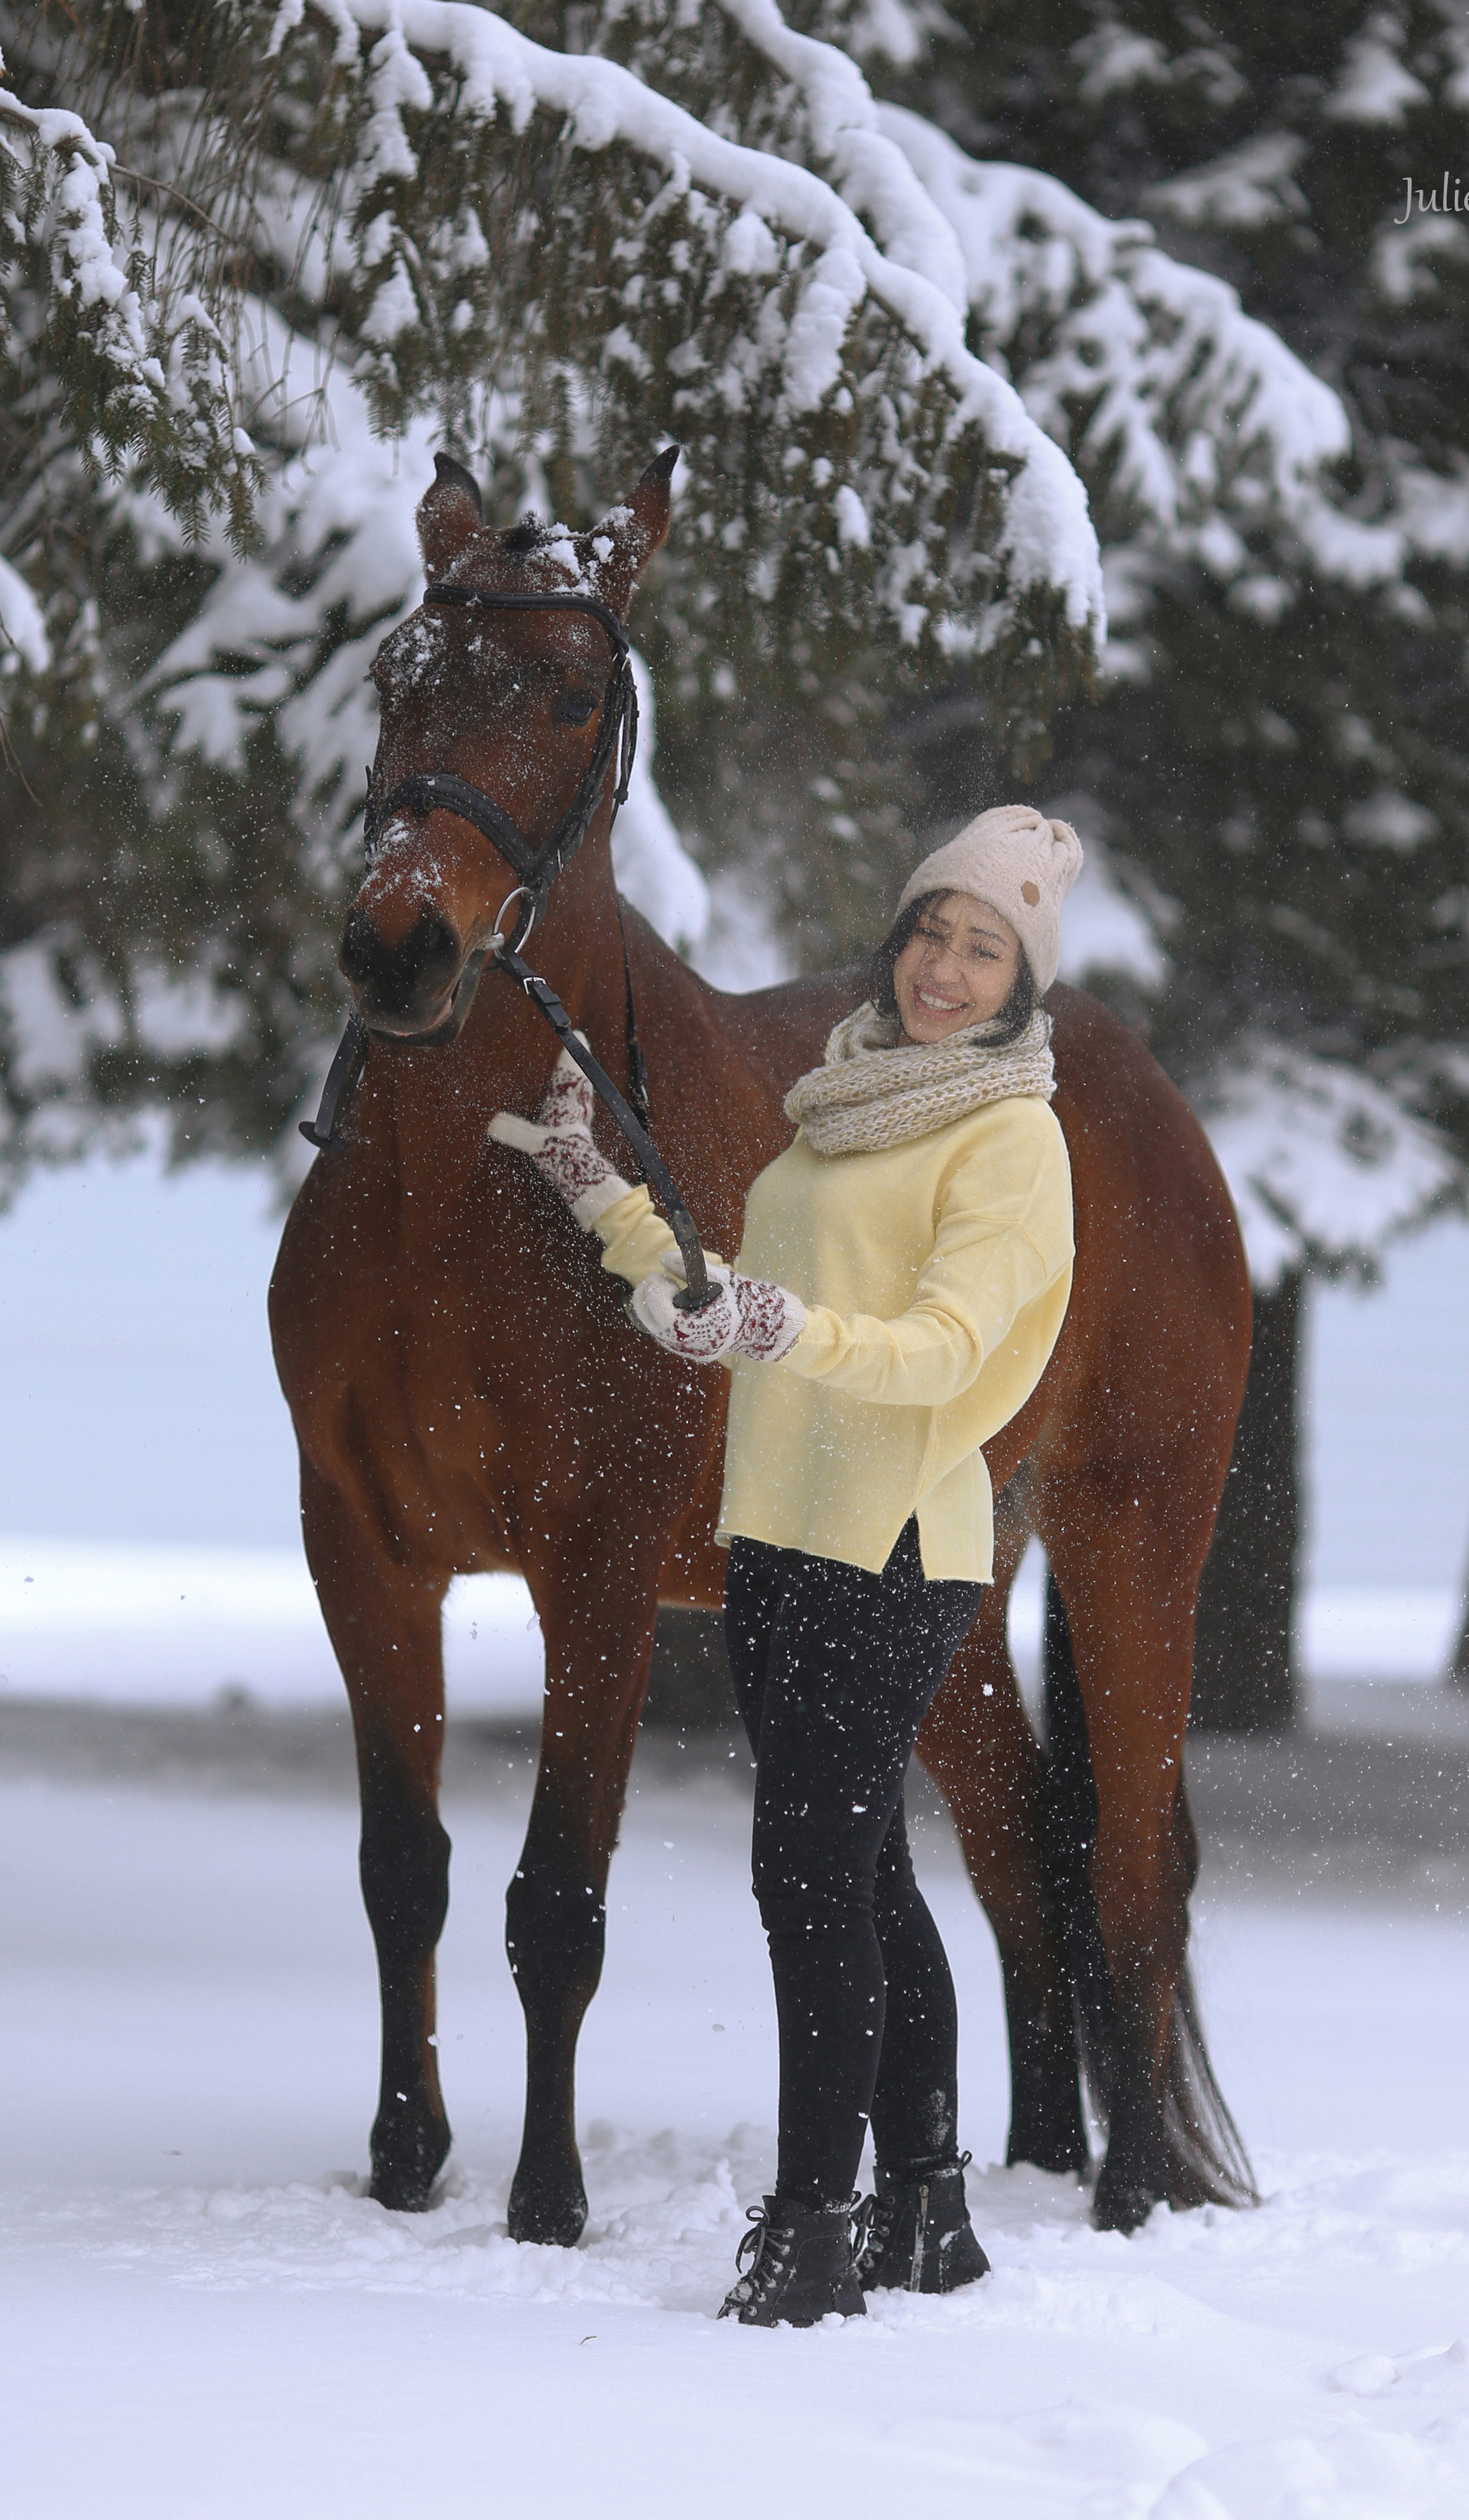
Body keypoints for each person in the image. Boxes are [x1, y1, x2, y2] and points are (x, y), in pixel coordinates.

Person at [489, 805, 1082, 2326]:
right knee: (864, 1875)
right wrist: (596, 1193)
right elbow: (749, 1295)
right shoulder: (848, 1106)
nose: (944, 970)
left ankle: (816, 2233)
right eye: (930, 934)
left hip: (892, 1546)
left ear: (1022, 981)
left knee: (806, 1877)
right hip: (777, 1532)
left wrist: (776, 1332)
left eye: (983, 949)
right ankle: (930, 2206)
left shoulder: (1009, 1135)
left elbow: (947, 1351)